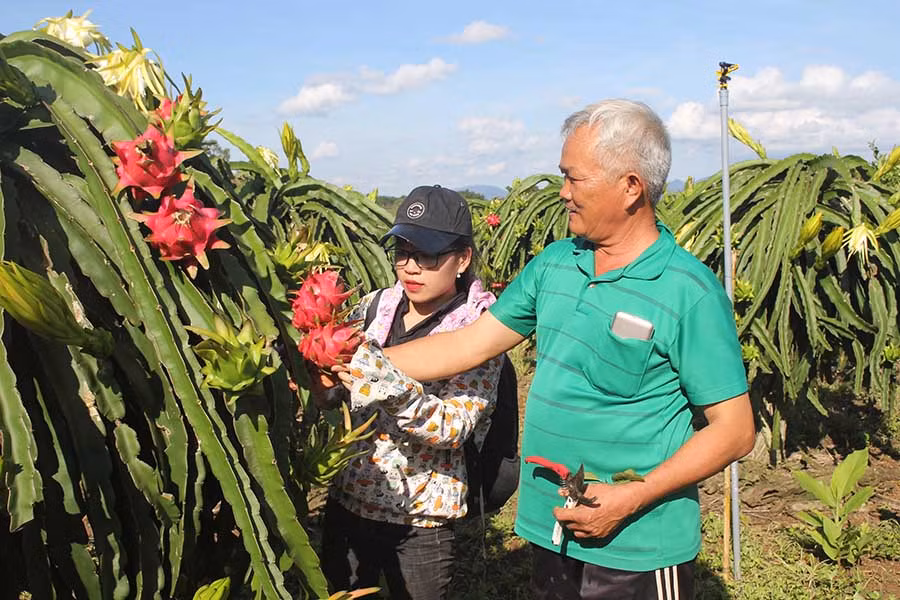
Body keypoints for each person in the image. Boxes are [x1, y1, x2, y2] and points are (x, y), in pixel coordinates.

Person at [337, 99, 755, 599]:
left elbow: (735, 431)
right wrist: (350, 358)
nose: (562, 193)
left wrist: (632, 497)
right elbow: (468, 345)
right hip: (551, 526)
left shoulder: (688, 291)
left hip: (639, 541)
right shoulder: (556, 264)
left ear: (630, 187)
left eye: (574, 179)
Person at [318, 184, 504, 600]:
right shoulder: (372, 306)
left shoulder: (481, 329)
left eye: (428, 254)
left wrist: (381, 379)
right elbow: (336, 390)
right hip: (349, 500)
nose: (411, 268)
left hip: (422, 520)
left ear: (463, 258)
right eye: (402, 252)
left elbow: (452, 425)